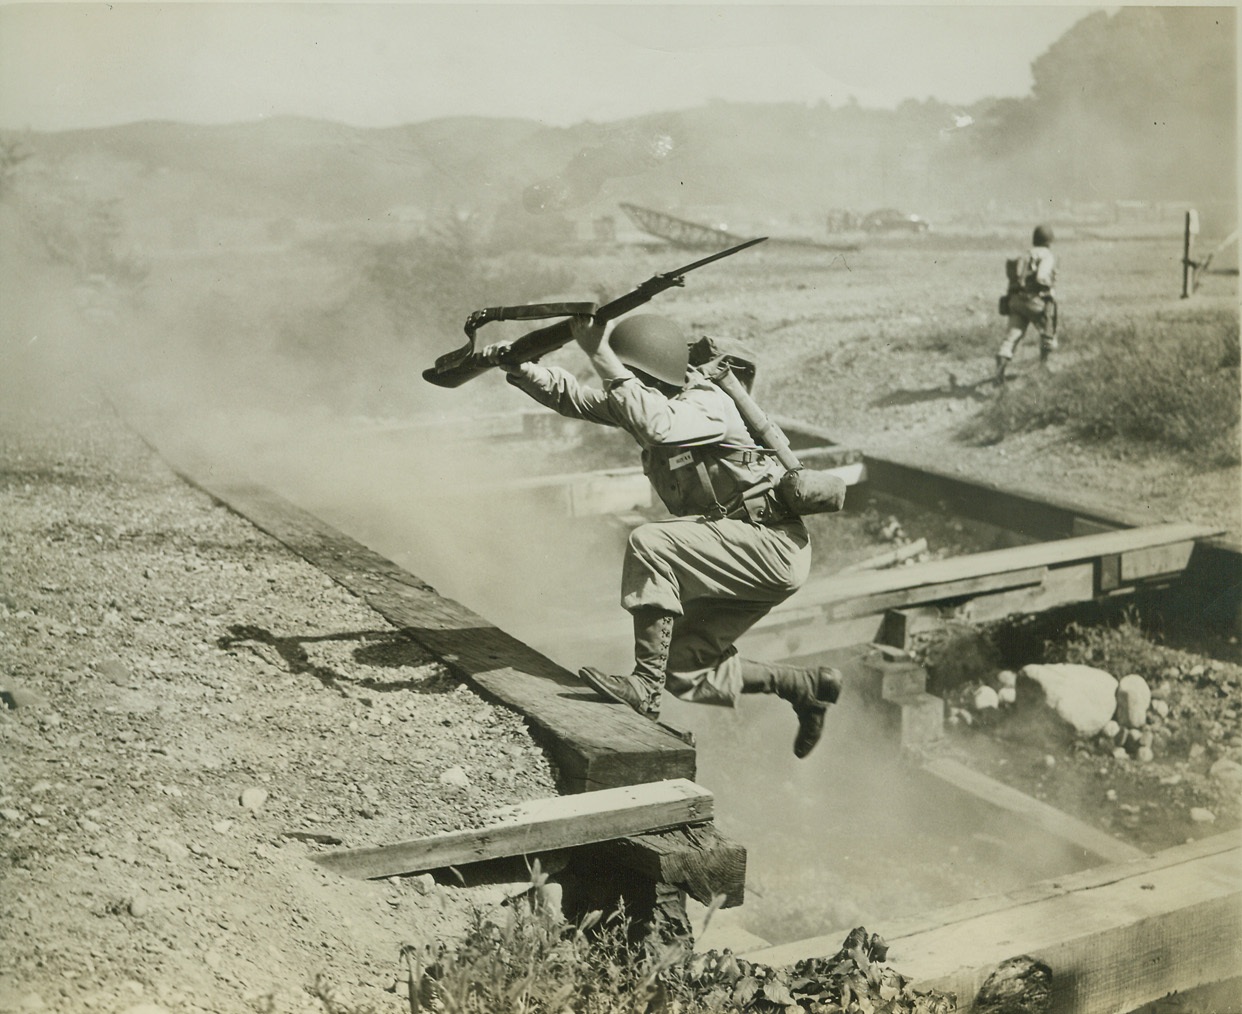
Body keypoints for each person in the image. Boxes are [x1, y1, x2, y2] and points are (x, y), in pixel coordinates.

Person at [485, 314, 841, 759]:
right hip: (744, 547)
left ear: (655, 376)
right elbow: (576, 399)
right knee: (685, 666)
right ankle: (803, 687)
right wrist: (521, 369)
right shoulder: (657, 402)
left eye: (634, 377)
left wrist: (600, 352)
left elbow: (656, 424)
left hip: (770, 545)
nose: (627, 386)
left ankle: (644, 689)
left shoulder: (706, 404)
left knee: (651, 543)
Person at [996, 224, 1058, 384]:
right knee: (1048, 334)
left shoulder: (1025, 254)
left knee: (1012, 336)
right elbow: (1041, 277)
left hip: (1016, 300)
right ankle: (1043, 367)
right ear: (1049, 241)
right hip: (1035, 301)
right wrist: (1049, 287)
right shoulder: (1047, 255)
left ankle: (1000, 370)